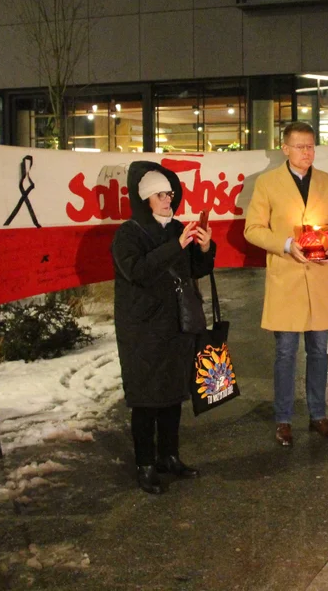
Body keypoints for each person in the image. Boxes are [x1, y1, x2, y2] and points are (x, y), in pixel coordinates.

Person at [112, 162, 214, 494]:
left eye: (169, 193)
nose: (167, 200)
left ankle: (169, 456)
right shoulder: (128, 233)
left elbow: (193, 271)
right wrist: (178, 245)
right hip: (141, 329)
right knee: (145, 399)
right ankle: (145, 464)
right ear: (145, 199)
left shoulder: (177, 228)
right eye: (159, 195)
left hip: (176, 325)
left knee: (172, 395)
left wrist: (203, 247)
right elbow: (138, 272)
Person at [244, 122, 328, 447]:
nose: (307, 153)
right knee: (286, 353)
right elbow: (253, 229)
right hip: (286, 276)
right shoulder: (268, 183)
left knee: (319, 352)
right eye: (300, 147)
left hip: (318, 277)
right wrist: (286, 244)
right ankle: (283, 419)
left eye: (311, 146)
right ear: (285, 148)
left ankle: (318, 415)